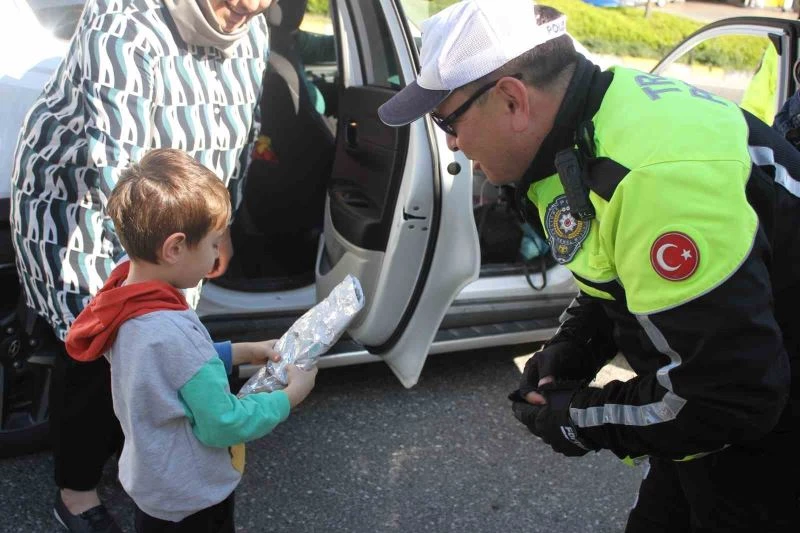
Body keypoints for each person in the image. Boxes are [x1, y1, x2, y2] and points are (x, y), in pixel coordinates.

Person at [377, 0, 799, 531]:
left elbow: (728, 399)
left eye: (446, 119)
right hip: (714, 420)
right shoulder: (582, 119)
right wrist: (576, 344)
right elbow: (617, 269)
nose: (451, 143)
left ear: (512, 99)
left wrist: (577, 418)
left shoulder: (656, 179)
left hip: (768, 437)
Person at [9, 0, 274, 531]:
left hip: (180, 229)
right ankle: (76, 494)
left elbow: (243, 133)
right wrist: (149, 277)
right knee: (97, 344)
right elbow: (121, 168)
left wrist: (219, 232)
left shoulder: (254, 29)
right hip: (95, 211)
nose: (253, 10)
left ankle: (145, 454)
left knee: (157, 347)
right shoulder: (125, 22)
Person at [64, 147, 318, 532]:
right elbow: (223, 424)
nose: (218, 253)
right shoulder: (170, 329)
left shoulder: (123, 296)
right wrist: (290, 396)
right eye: (214, 243)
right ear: (176, 247)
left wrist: (243, 351)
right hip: (192, 496)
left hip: (153, 485)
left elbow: (169, 369)